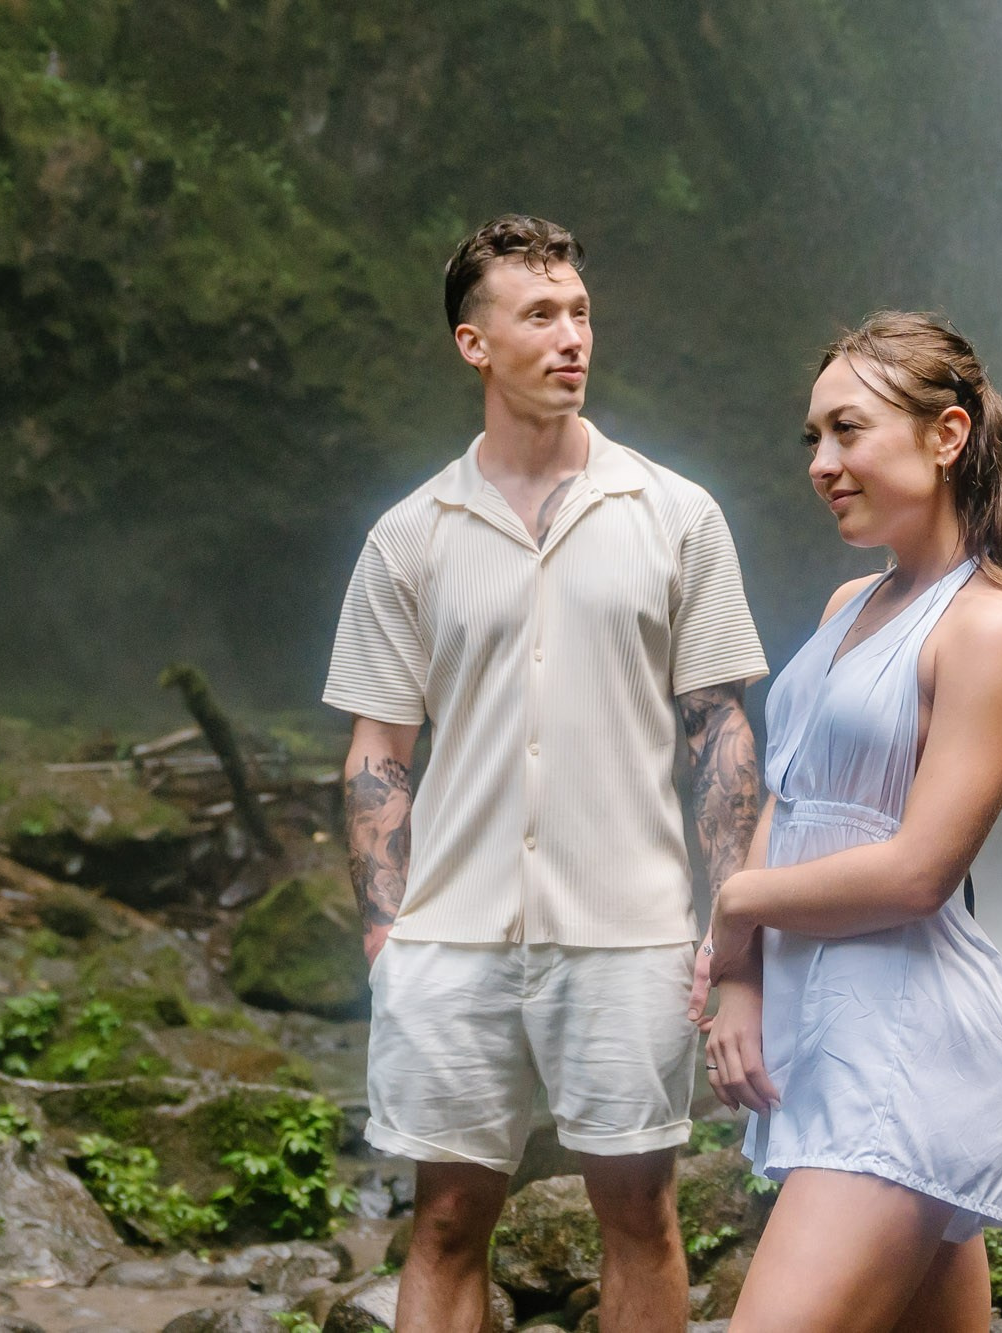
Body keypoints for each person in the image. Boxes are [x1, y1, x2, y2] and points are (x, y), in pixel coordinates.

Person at [324, 213, 768, 1333]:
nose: (571, 336)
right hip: (450, 935)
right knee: (444, 1219)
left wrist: (728, 928)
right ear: (474, 344)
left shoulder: (676, 516)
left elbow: (719, 733)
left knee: (640, 1211)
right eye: (539, 315)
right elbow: (379, 749)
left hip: (630, 928)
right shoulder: (409, 535)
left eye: (579, 312)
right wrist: (385, 933)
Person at [691, 311, 1002, 1332]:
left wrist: (738, 905)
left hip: (906, 1046)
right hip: (827, 1037)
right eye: (812, 437)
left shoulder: (989, 625)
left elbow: (918, 872)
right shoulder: (846, 606)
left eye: (848, 430)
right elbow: (788, 796)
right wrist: (739, 977)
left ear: (947, 435)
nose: (821, 463)